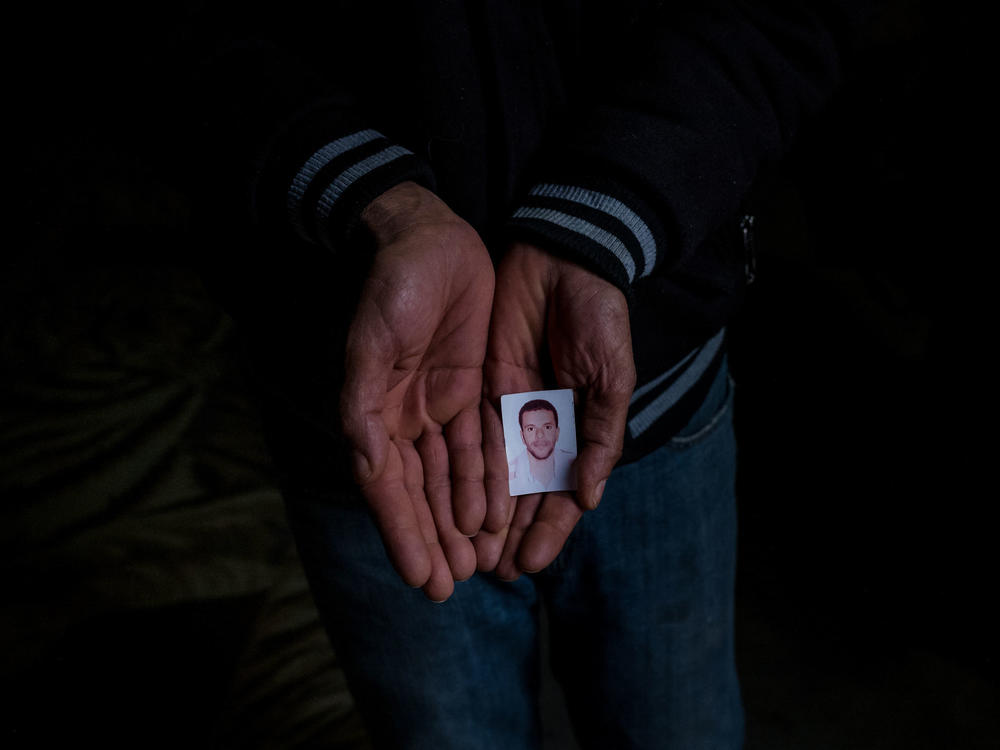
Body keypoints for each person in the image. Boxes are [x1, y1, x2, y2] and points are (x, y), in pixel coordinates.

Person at [153, 1, 877, 746]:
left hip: (648, 387)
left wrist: (605, 216)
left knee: (678, 727)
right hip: (374, 410)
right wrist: (374, 200)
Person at [508, 398, 576, 496]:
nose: (540, 435)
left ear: (557, 433)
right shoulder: (508, 473)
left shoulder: (575, 464)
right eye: (531, 429)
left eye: (547, 427)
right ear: (522, 436)